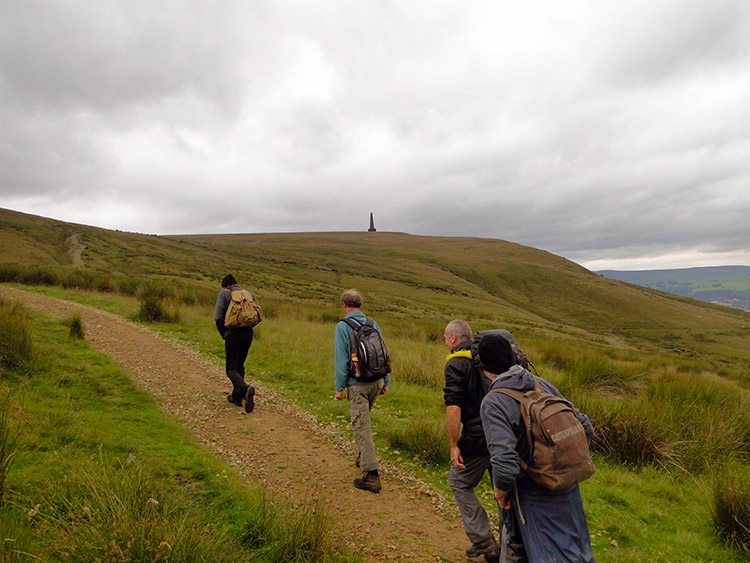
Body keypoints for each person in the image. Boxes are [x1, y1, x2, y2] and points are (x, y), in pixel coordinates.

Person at [478, 333, 595, 563]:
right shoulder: (542, 384)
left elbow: (504, 464)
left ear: (485, 370)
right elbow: (585, 427)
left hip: (533, 491)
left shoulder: (494, 401)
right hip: (568, 488)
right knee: (576, 552)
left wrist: (500, 492)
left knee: (540, 553)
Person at [443, 320, 500, 561]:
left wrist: (454, 445)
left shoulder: (457, 362)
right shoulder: (490, 356)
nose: (445, 343)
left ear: (453, 338)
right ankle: (514, 544)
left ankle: (484, 542)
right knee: (504, 487)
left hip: (478, 437)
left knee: (458, 481)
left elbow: (454, 407)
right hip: (506, 432)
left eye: (445, 339)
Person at [334, 289, 390, 493]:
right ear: (360, 304)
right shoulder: (372, 324)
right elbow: (384, 352)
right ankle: (362, 457)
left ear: (343, 304)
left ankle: (371, 475)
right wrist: (386, 380)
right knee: (362, 423)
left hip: (357, 384)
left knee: (361, 427)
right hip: (376, 381)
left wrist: (339, 388)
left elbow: (341, 360)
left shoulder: (342, 326)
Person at [214, 274, 256, 413]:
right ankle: (237, 398)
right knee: (240, 365)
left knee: (231, 369)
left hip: (233, 333)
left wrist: (224, 334)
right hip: (248, 333)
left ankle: (245, 389)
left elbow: (218, 317)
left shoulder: (224, 294)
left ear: (225, 286)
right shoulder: (248, 294)